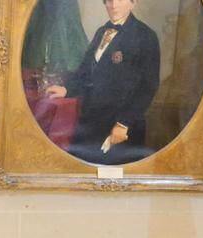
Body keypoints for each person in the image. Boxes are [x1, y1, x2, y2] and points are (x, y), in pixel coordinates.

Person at [44, 0, 161, 164]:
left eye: (120, 0)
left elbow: (147, 86)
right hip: (91, 121)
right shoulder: (102, 32)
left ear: (133, 3)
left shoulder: (146, 36)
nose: (113, 5)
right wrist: (67, 89)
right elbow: (86, 70)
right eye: (109, 1)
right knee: (82, 172)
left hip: (120, 126)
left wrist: (123, 124)